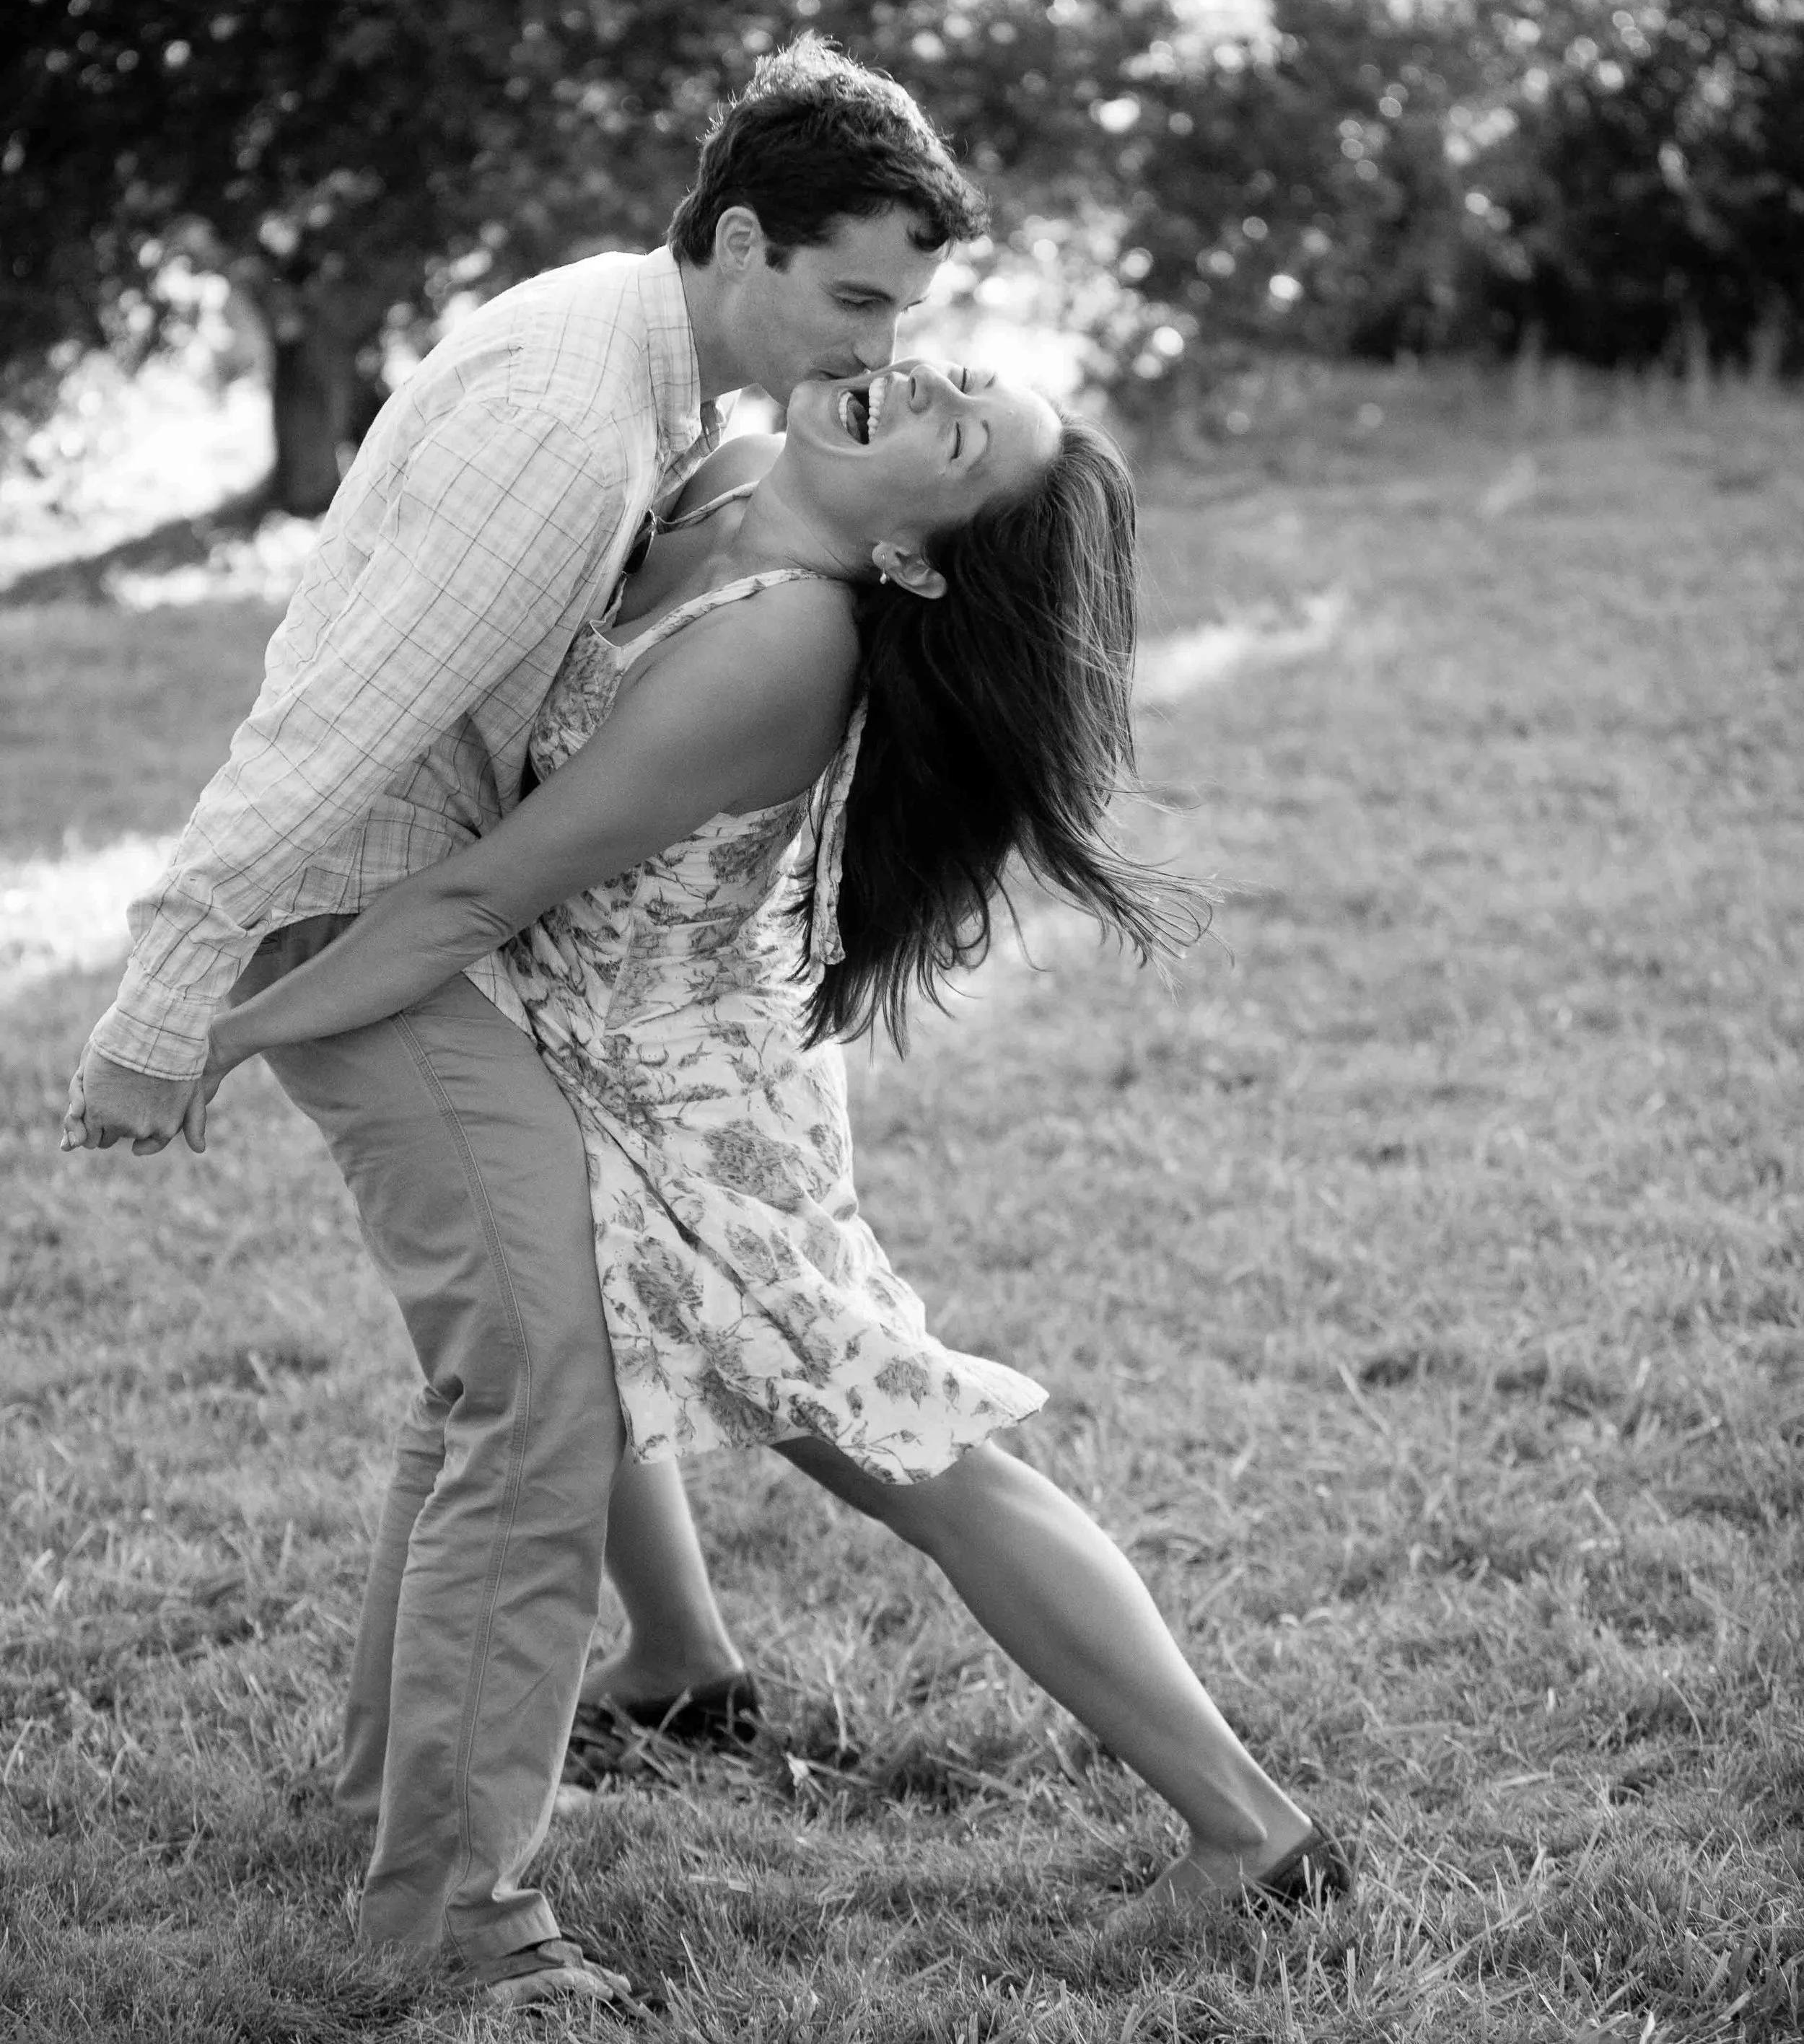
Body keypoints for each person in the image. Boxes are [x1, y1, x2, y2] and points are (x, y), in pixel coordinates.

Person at [197, 359, 1355, 1953]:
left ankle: (1249, 1827)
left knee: (901, 1442)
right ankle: (669, 1671)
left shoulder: (781, 648)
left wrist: (227, 1021)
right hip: (595, 1033)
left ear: (916, 558)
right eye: (965, 378)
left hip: (685, 1090)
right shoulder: (726, 462)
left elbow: (486, 895)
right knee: (543, 1365)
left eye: (965, 441)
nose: (935, 385)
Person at [62, 41, 991, 2011]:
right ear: (741, 240)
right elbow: (332, 714)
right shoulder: (575, 421)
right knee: (540, 1395)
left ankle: (386, 1797)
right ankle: (454, 1919)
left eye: (906, 313)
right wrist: (164, 996)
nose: (879, 343)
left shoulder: (638, 344)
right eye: (851, 295)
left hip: (434, 916)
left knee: (502, 1367)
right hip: (368, 914)